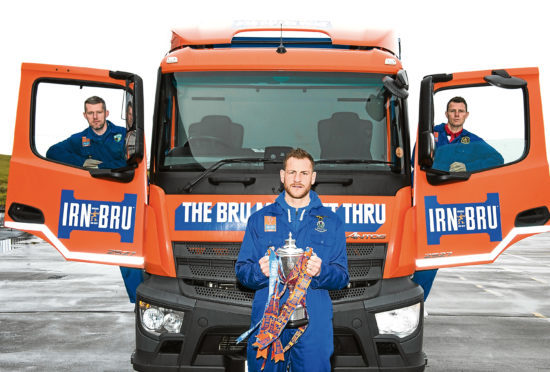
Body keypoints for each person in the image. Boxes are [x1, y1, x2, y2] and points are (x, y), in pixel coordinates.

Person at [236, 148, 349, 372]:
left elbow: (342, 277)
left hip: (313, 319)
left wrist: (321, 271)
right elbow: (242, 272)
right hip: (269, 318)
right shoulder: (259, 220)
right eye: (292, 172)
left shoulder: (332, 222)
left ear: (313, 178)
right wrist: (260, 272)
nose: (297, 179)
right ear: (282, 175)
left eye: (304, 173)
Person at [46, 96, 143, 303]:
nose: (95, 117)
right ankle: (138, 301)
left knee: (129, 253)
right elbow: (52, 152)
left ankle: (140, 301)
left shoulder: (122, 134)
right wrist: (82, 162)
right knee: (115, 252)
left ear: (106, 113)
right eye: (90, 113)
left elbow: (133, 162)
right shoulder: (80, 139)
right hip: (97, 203)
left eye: (99, 112)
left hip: (124, 200)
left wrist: (106, 167)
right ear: (85, 115)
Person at [413, 96, 504, 307]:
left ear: (466, 115)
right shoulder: (431, 134)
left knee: (432, 256)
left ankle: (418, 304)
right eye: (452, 110)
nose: (456, 114)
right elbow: (413, 160)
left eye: (460, 111)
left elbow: (496, 160)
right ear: (446, 114)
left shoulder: (472, 141)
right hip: (425, 199)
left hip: (448, 205)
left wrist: (467, 166)